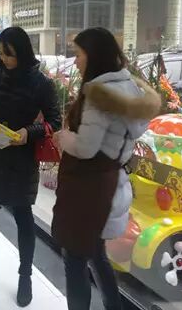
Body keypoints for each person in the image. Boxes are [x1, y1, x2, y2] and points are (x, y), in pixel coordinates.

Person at [52, 28, 160, 310]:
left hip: (88, 189)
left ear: (94, 55)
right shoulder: (129, 87)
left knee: (75, 258)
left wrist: (64, 138)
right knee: (96, 253)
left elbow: (86, 147)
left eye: (78, 54)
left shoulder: (99, 94)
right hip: (112, 182)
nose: (75, 61)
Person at [0, 27, 61, 307]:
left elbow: (55, 120)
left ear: (23, 53)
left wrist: (28, 133)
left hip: (20, 158)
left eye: (9, 54)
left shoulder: (41, 83)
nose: (3, 59)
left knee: (23, 218)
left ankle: (25, 276)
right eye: (0, 53)